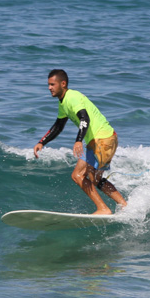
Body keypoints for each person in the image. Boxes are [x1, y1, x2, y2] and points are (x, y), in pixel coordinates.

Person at [33, 69, 127, 215]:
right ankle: (124, 205)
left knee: (79, 175)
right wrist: (42, 142)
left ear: (63, 84)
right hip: (104, 139)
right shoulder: (63, 102)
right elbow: (59, 125)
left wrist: (78, 141)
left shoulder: (72, 98)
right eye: (48, 85)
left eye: (52, 84)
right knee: (93, 178)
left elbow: (85, 118)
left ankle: (104, 209)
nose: (49, 88)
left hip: (102, 140)